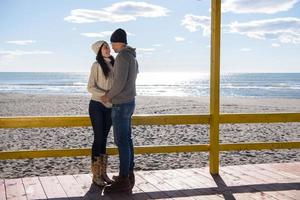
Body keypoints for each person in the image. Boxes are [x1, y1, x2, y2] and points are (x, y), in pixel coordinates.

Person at [101, 28, 138, 195]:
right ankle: (128, 175)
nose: (111, 46)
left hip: (121, 103)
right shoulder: (132, 56)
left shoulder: (122, 56)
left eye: (112, 43)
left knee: (122, 142)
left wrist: (108, 96)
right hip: (129, 102)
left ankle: (124, 180)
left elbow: (120, 83)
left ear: (118, 42)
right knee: (127, 140)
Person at [87, 40, 114, 187]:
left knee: (104, 138)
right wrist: (104, 94)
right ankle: (96, 175)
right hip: (97, 105)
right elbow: (90, 86)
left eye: (108, 46)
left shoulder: (114, 65)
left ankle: (103, 173)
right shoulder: (96, 65)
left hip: (110, 107)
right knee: (98, 138)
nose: (108, 49)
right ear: (99, 50)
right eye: (105, 47)